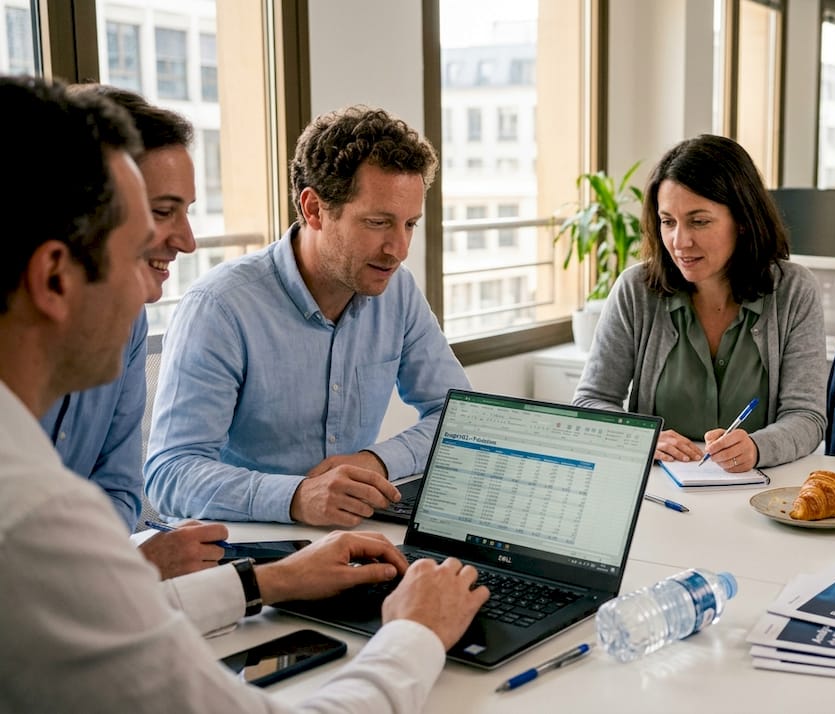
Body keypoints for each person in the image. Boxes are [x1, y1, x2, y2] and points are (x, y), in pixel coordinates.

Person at [0, 74, 488, 712]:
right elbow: (162, 480)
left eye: (410, 224)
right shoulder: (36, 516)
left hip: (296, 568)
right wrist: (415, 633)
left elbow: (460, 413)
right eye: (138, 248)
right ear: (54, 277)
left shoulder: (39, 503)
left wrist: (269, 580)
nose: (175, 258)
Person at [145, 105, 471, 527]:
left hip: (348, 533)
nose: (399, 249)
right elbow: (171, 474)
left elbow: (458, 419)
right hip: (247, 544)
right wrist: (296, 496)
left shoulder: (398, 292)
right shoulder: (220, 307)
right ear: (314, 208)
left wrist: (376, 461)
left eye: (410, 224)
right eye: (378, 222)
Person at [36, 84, 226, 579]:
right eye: (161, 213)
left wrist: (103, 570)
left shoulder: (130, 321)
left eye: (186, 210)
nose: (188, 241)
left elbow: (120, 489)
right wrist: (116, 569)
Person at [572, 134, 826, 471]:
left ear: (743, 220)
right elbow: (590, 402)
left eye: (699, 221)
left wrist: (757, 447)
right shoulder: (635, 290)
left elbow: (806, 417)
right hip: (658, 488)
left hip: (761, 487)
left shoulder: (794, 290)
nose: (680, 242)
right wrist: (641, 438)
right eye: (668, 222)